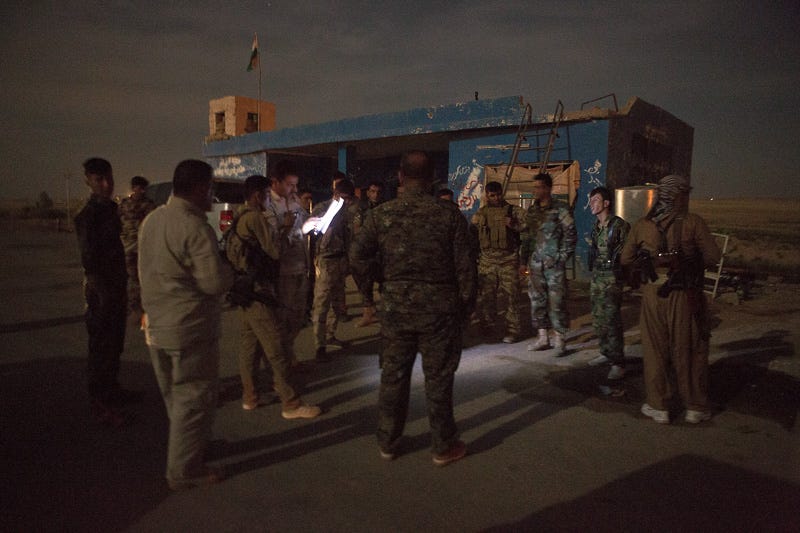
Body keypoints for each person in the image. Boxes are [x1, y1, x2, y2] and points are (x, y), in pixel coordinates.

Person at [350, 151, 477, 466]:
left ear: (400, 177)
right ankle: (442, 445)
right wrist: (464, 310)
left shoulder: (381, 215)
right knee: (439, 379)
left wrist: (374, 289)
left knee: (393, 376)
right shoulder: (449, 216)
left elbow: (357, 258)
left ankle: (388, 442)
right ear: (433, 178)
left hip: (396, 308)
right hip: (440, 311)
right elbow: (466, 271)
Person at [138, 159, 234, 490]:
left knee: (175, 400)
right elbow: (213, 283)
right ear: (197, 188)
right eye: (209, 188)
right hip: (189, 329)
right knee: (193, 399)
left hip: (156, 328)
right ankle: (184, 471)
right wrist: (232, 274)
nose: (211, 195)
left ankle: (191, 448)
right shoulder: (194, 227)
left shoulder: (152, 220)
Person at [620, 174, 720, 424]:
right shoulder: (693, 223)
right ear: (678, 195)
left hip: (653, 294)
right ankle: (695, 406)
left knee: (655, 350)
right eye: (685, 193)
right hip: (685, 295)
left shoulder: (643, 225)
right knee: (689, 348)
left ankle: (659, 405)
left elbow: (625, 259)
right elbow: (712, 257)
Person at [230, 174, 322, 417]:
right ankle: (290, 403)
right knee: (276, 347)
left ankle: (250, 396)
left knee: (249, 346)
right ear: (259, 195)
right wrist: (285, 229)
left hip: (243, 289)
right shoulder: (255, 218)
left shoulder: (238, 215)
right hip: (259, 291)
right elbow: (275, 251)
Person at [74, 157, 138, 425]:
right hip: (101, 290)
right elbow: (90, 260)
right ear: (88, 181)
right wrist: (103, 293)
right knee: (100, 347)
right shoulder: (87, 216)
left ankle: (112, 391)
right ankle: (100, 404)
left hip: (116, 285)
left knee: (115, 344)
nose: (106, 184)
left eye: (109, 178)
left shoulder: (112, 209)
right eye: (99, 179)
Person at [520, 173, 576, 356]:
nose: (535, 191)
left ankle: (560, 339)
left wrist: (561, 257)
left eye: (538, 187)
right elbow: (527, 237)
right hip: (535, 265)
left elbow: (570, 235)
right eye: (534, 187)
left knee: (557, 302)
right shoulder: (532, 211)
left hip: (554, 266)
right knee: (537, 301)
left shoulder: (561, 209)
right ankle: (543, 337)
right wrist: (523, 261)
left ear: (548, 188)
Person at [264, 161, 312, 369]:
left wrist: (310, 224)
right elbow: (273, 240)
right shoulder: (267, 205)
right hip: (283, 271)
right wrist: (293, 229)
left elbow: (301, 227)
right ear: (275, 182)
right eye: (290, 185)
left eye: (295, 185)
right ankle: (280, 362)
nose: (294, 190)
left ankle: (287, 353)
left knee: (298, 317)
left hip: (301, 266)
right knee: (281, 319)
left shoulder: (294, 202)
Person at [471, 180, 526, 343]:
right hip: (487, 261)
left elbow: (529, 227)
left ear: (502, 194)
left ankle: (513, 330)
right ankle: (488, 326)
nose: (495, 198)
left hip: (508, 259)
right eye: (492, 195)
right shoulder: (480, 214)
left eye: (498, 195)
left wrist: (514, 225)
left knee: (512, 296)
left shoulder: (513, 211)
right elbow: (473, 235)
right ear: (487, 196)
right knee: (487, 297)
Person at [586, 187, 630, 380]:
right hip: (597, 277)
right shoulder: (596, 226)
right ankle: (605, 352)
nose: (591, 204)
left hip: (612, 278)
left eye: (595, 200)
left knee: (612, 320)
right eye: (591, 200)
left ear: (606, 203)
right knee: (598, 319)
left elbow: (627, 254)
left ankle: (618, 362)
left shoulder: (619, 226)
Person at [310, 178, 356, 362]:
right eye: (343, 198)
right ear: (336, 195)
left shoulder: (347, 212)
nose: (346, 202)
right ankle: (319, 345)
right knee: (321, 304)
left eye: (348, 199)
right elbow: (315, 233)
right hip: (326, 260)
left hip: (340, 259)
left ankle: (330, 335)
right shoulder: (322, 208)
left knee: (338, 303)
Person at [119, 175, 155, 322]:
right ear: (134, 188)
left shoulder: (149, 205)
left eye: (144, 189)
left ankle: (140, 306)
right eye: (140, 188)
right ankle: (134, 307)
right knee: (132, 278)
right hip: (128, 247)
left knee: (142, 278)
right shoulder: (124, 205)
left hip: (142, 248)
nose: (143, 191)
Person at [348, 180, 383, 327]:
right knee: (365, 284)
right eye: (373, 191)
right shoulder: (361, 208)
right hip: (365, 252)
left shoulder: (384, 207)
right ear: (368, 193)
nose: (375, 195)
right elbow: (357, 229)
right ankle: (368, 313)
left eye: (378, 192)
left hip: (381, 251)